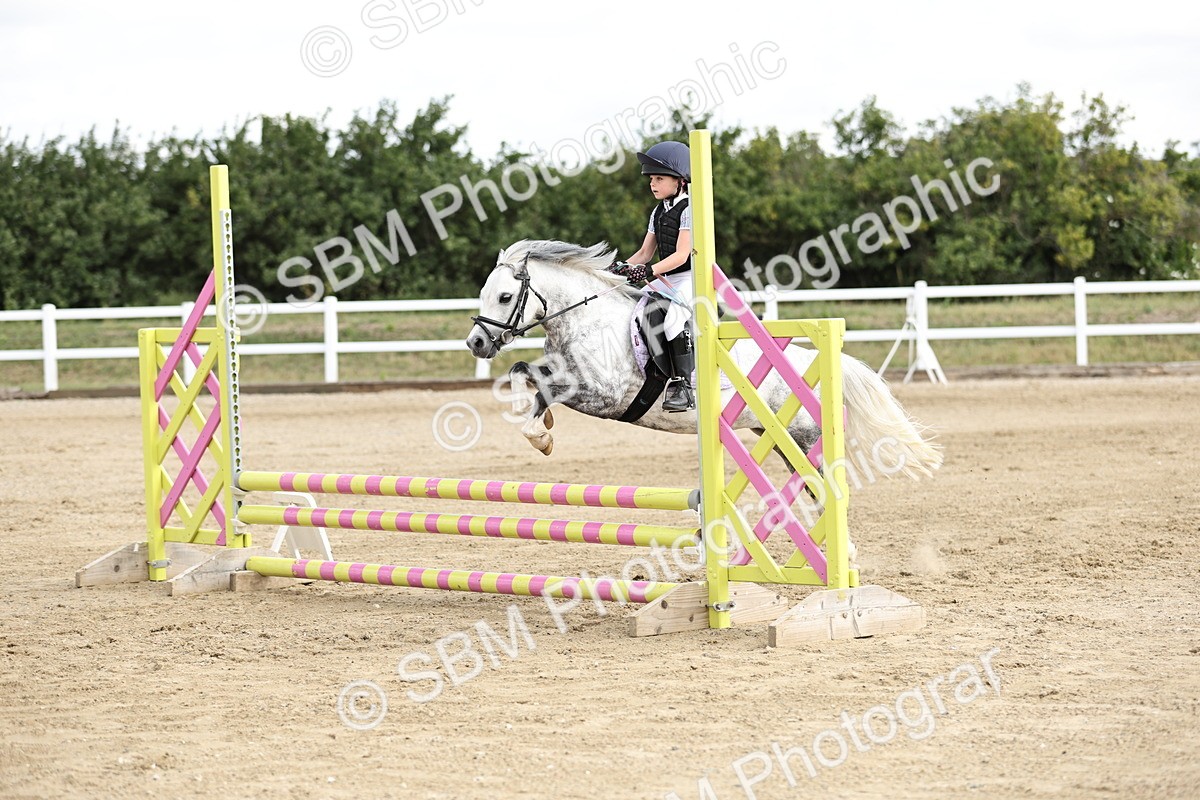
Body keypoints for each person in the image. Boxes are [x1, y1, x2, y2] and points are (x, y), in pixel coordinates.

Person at [610, 140, 695, 412]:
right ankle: (652, 371)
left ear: (680, 181)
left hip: (693, 278)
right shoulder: (659, 211)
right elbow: (646, 253)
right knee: (637, 310)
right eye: (651, 179)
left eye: (659, 178)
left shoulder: (690, 210)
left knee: (672, 321)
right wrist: (619, 267)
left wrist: (647, 271)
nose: (652, 184)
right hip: (668, 277)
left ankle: (684, 385)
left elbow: (682, 255)